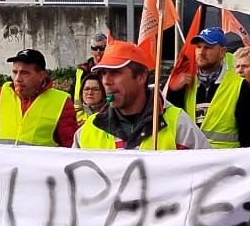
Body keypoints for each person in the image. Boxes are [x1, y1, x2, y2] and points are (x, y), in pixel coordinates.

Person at [76, 40, 209, 149]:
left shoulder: (178, 124)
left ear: (141, 76)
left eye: (115, 73)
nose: (106, 81)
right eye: (103, 73)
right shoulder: (89, 129)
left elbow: (208, 173)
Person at [0, 48, 79, 146]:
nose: (18, 78)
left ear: (42, 75)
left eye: (25, 73)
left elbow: (70, 149)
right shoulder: (2, 94)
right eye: (15, 72)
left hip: (40, 171)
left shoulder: (61, 102)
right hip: (5, 169)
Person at [74, 33, 109, 98]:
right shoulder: (83, 69)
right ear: (91, 50)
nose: (98, 51)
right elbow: (76, 95)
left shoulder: (112, 68)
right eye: (95, 48)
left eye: (102, 48)